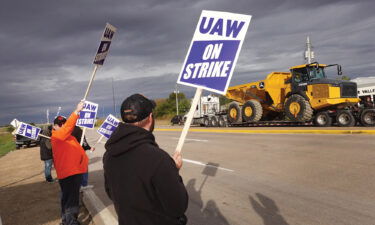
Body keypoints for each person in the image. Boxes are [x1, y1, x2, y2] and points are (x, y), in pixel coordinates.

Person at [103, 94, 188, 225]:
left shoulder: (109, 155)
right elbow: (178, 206)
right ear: (150, 118)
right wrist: (173, 171)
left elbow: (111, 193)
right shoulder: (159, 159)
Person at [51, 102, 89, 225]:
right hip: (69, 173)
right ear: (54, 126)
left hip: (73, 171)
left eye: (64, 124)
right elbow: (67, 128)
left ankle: (66, 220)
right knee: (72, 199)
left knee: (67, 198)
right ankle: (71, 221)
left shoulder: (66, 136)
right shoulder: (57, 136)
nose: (62, 126)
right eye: (60, 124)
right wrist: (76, 111)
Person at [71, 126, 95, 190]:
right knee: (84, 168)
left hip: (70, 153)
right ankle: (84, 184)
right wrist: (90, 148)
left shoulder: (67, 130)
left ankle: (76, 185)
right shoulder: (79, 130)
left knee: (75, 170)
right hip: (80, 153)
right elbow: (84, 142)